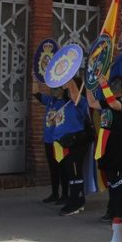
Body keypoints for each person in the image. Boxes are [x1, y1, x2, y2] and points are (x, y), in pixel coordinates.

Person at [87, 75, 122, 222]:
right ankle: (112, 209)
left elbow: (114, 105)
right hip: (106, 145)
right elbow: (92, 103)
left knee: (117, 181)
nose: (113, 85)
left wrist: (104, 86)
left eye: (116, 83)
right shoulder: (107, 101)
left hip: (117, 146)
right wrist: (89, 84)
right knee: (111, 181)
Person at [52, 77, 93, 216]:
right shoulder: (67, 103)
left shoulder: (80, 102)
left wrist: (68, 77)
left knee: (75, 173)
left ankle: (75, 202)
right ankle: (78, 199)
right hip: (65, 144)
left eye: (69, 86)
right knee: (70, 172)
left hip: (76, 143)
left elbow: (74, 92)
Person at [33, 74, 69, 204]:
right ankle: (54, 193)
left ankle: (65, 195)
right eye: (52, 89)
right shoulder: (50, 101)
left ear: (62, 90)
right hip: (49, 140)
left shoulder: (66, 103)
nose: (53, 91)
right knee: (53, 168)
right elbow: (36, 93)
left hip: (59, 141)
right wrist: (35, 78)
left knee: (62, 168)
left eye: (56, 89)